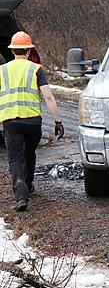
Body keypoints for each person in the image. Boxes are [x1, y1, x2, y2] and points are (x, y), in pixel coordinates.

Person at [0, 32, 65, 211]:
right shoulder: (36, 69)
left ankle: (20, 190)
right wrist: (58, 121)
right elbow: (48, 97)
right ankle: (28, 184)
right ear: (29, 50)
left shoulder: (2, 70)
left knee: (14, 157)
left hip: (10, 120)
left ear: (12, 51)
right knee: (29, 153)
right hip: (32, 121)